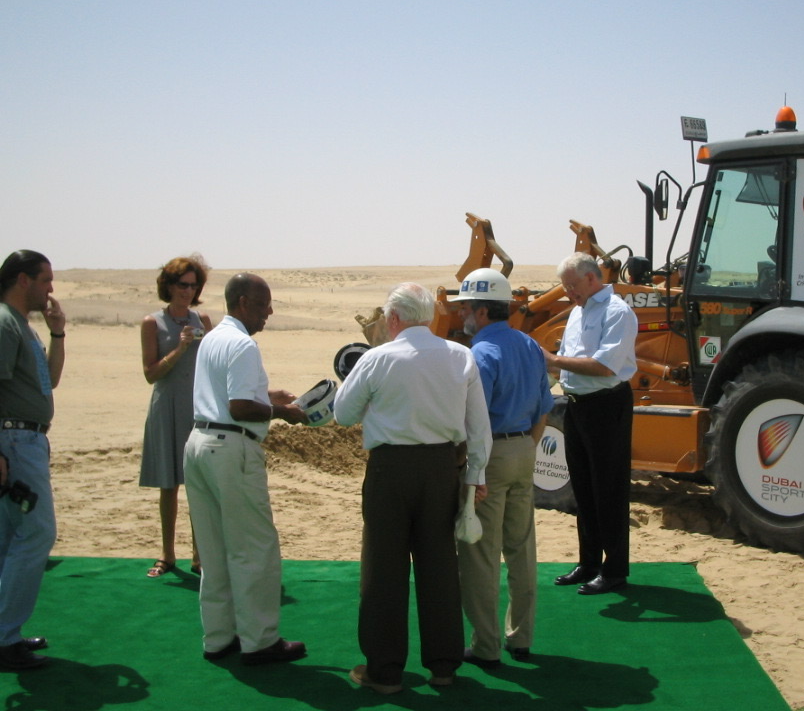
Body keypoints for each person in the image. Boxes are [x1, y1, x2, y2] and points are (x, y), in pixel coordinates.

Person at [333, 282, 491, 694]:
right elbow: (479, 428)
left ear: (393, 319)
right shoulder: (461, 356)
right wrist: (475, 478)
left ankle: (384, 672)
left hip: (390, 469)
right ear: (430, 317)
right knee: (439, 565)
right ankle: (443, 666)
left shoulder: (377, 359)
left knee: (383, 569)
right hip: (442, 467)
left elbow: (343, 413)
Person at [184, 273, 308, 665]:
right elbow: (239, 408)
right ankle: (260, 640)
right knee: (254, 547)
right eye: (261, 304)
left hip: (199, 444)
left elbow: (225, 394)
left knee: (214, 547)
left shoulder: (212, 339)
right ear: (241, 303)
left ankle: (218, 637)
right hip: (231, 448)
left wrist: (264, 395)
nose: (269, 312)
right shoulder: (242, 345)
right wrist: (282, 412)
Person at [451, 268, 553, 667]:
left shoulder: (479, 354)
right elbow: (544, 407)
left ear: (480, 310)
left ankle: (485, 645)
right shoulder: (529, 345)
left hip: (490, 457)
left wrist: (470, 466)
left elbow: (471, 421)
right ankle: (521, 637)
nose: (461, 317)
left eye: (464, 310)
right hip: (525, 450)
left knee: (480, 553)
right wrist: (525, 445)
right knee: (521, 547)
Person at [543, 252, 637, 595]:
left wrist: (552, 360)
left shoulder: (617, 312)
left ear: (592, 278)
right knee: (583, 488)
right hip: (577, 405)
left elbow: (604, 367)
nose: (568, 291)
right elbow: (570, 362)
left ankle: (614, 569)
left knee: (608, 489)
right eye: (564, 286)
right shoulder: (578, 312)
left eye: (572, 284)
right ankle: (589, 562)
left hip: (606, 405)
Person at [0, 250, 65, 670]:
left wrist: (58, 334)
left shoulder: (23, 325)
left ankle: (6, 634)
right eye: (45, 280)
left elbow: (49, 379)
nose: (51, 289)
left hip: (27, 439)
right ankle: (5, 638)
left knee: (10, 537)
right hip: (14, 441)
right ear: (23, 280)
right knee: (39, 534)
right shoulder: (5, 323)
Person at [139, 255, 213, 578]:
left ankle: (201, 557)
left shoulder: (203, 320)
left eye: (193, 285)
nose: (188, 291)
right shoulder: (152, 323)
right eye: (183, 284)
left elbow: (212, 364)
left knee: (199, 483)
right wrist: (179, 349)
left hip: (197, 409)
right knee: (168, 485)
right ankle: (168, 555)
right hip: (166, 407)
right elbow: (151, 373)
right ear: (168, 285)